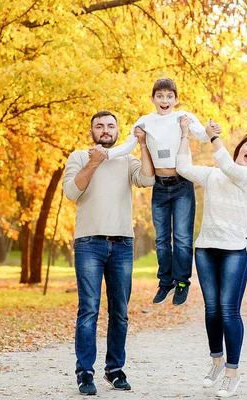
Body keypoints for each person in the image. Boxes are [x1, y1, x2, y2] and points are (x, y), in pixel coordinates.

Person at [175, 117, 247, 397]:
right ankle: (216, 363)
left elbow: (228, 166)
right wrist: (185, 133)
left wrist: (211, 137)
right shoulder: (212, 174)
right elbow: (183, 168)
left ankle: (232, 374)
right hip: (207, 248)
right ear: (239, 147)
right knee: (212, 310)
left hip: (236, 250)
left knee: (229, 310)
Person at [62, 110, 155, 395]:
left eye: (110, 126)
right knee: (88, 310)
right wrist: (93, 162)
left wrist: (144, 145)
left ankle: (114, 370)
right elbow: (70, 192)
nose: (105, 130)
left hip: (123, 245)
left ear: (118, 131)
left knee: (120, 312)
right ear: (92, 131)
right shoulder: (79, 156)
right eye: (99, 126)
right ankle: (85, 372)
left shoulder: (127, 159)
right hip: (89, 243)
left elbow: (149, 180)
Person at [107, 78, 210, 306]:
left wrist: (210, 131)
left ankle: (182, 282)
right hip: (160, 187)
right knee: (162, 239)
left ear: (176, 99)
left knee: (182, 238)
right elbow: (126, 146)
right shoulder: (145, 121)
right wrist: (106, 155)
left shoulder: (183, 117)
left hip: (182, 184)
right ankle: (165, 282)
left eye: (169, 96)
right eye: (160, 96)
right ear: (152, 99)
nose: (165, 100)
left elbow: (202, 134)